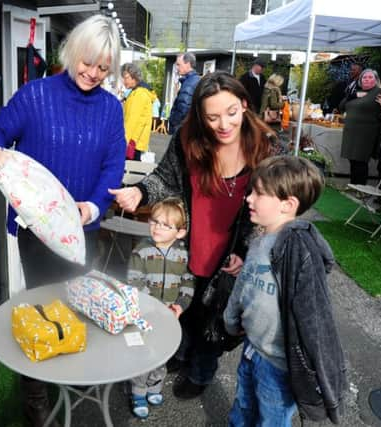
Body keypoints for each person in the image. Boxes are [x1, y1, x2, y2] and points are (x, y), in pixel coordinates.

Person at [0, 15, 125, 427]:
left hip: (83, 230)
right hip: (37, 230)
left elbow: (113, 167)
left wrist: (93, 207)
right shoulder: (36, 94)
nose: (93, 74)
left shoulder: (111, 109)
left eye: (103, 68)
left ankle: (69, 376)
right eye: (88, 63)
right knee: (42, 305)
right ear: (72, 52)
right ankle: (37, 398)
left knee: (77, 304)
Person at [109, 71, 276, 399]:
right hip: (190, 243)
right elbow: (164, 177)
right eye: (212, 117)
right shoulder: (189, 139)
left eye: (231, 113)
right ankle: (180, 353)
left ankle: (201, 372)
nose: (224, 125)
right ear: (201, 116)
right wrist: (140, 192)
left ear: (244, 104)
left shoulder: (266, 147)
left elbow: (274, 207)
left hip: (232, 253)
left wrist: (249, 250)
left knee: (214, 319)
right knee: (182, 303)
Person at [224, 155, 346, 426]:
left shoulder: (298, 251)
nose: (249, 199)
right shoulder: (258, 241)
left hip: (279, 366)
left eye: (259, 193)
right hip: (252, 349)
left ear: (288, 205)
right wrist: (231, 319)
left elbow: (313, 313)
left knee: (272, 419)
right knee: (243, 408)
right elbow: (244, 285)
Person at [126, 198, 194, 418]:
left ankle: (155, 386)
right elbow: (134, 281)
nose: (157, 227)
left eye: (166, 225)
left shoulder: (183, 254)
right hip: (146, 314)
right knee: (143, 353)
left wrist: (180, 305)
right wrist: (154, 307)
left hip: (171, 315)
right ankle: (138, 392)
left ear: (180, 233)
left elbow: (187, 282)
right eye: (155, 221)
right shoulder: (141, 251)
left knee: (163, 352)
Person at [339, 68, 381, 185]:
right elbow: (341, 106)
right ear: (360, 80)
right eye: (364, 77)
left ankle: (360, 187)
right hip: (351, 133)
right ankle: (353, 185)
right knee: (353, 161)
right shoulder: (357, 92)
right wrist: (352, 96)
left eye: (370, 77)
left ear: (376, 80)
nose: (367, 79)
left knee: (360, 161)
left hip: (366, 134)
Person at [121, 62, 156, 160]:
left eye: (126, 77)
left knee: (129, 172)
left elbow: (132, 121)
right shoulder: (139, 92)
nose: (124, 81)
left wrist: (123, 142)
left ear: (134, 76)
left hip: (132, 144)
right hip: (136, 143)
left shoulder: (139, 94)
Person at [168, 52, 200, 134]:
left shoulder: (189, 84)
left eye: (178, 64)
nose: (177, 68)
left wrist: (173, 123)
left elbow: (183, 108)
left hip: (182, 130)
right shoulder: (194, 80)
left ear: (188, 64)